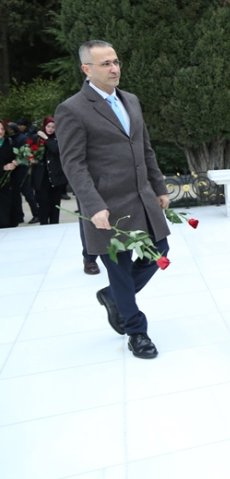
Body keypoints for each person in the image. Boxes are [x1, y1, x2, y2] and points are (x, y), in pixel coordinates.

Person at [56, 40, 171, 359]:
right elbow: (73, 164)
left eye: (116, 61)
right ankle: (137, 331)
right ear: (86, 69)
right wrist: (93, 206)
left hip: (143, 197)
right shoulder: (72, 109)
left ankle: (113, 296)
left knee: (160, 251)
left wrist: (159, 187)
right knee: (119, 268)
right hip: (107, 205)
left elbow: (145, 147)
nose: (114, 68)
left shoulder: (131, 100)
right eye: (105, 63)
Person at [32, 117, 68, 225]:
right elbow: (30, 150)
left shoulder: (58, 138)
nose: (50, 129)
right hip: (41, 177)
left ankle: (54, 224)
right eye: (48, 126)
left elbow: (56, 150)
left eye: (53, 127)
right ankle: (43, 224)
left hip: (55, 177)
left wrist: (46, 139)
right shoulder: (36, 138)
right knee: (43, 203)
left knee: (55, 204)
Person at [0, 121, 20, 228]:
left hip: (10, 182)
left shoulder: (10, 142)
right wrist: (3, 168)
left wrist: (16, 162)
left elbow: (18, 157)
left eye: (2, 129)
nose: (0, 132)